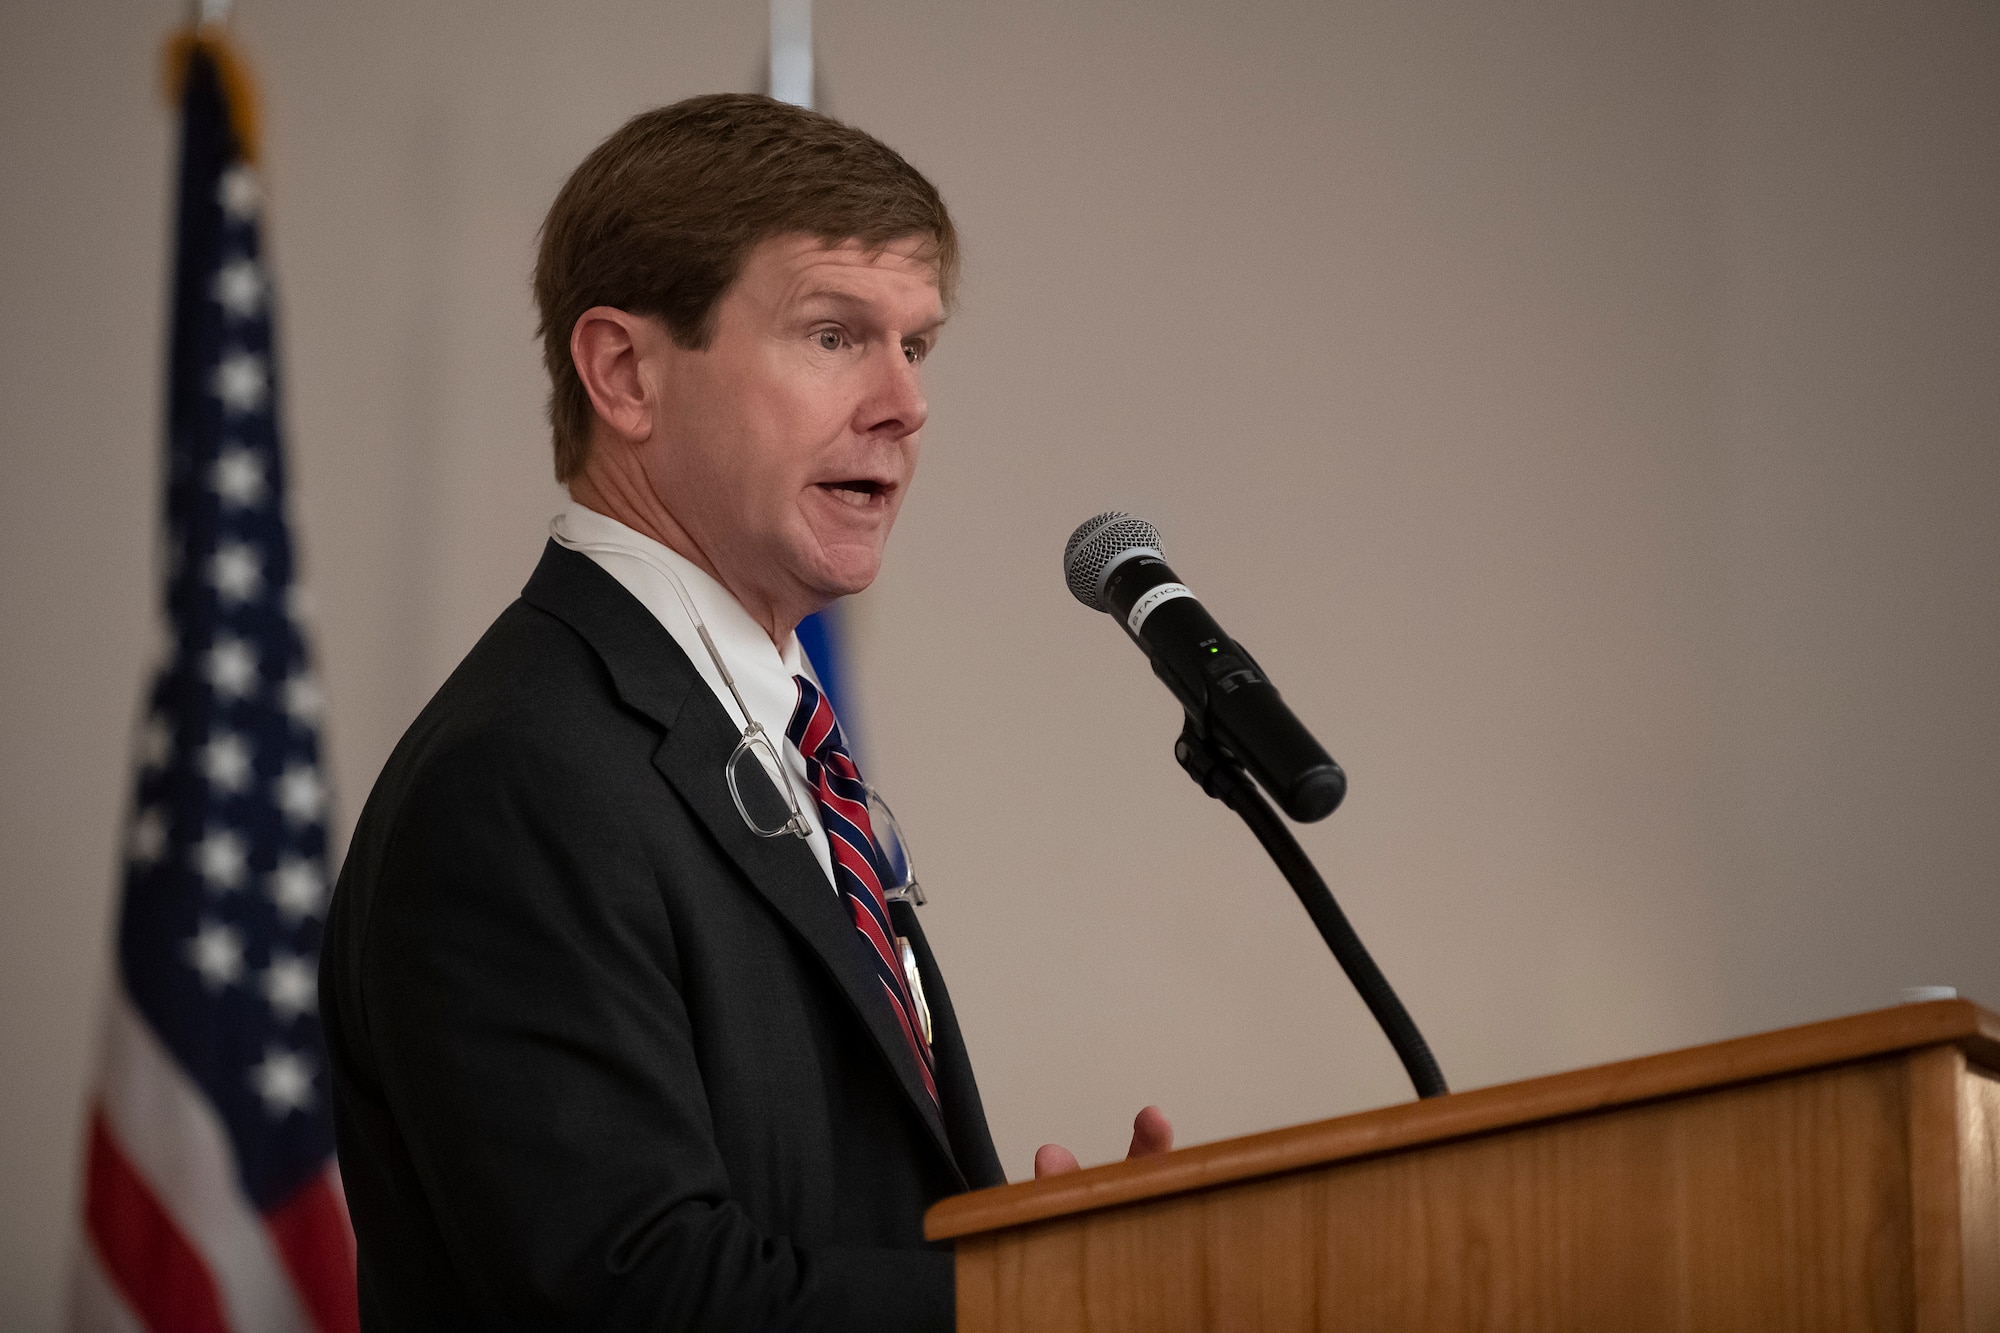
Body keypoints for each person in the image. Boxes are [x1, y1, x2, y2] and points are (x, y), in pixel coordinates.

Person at [321, 93, 1170, 1331]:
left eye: (916, 346)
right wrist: (1045, 1302)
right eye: (833, 335)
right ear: (623, 372)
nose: (903, 403)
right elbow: (641, 1297)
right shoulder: (519, 780)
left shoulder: (764, 737)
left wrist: (1064, 1250)